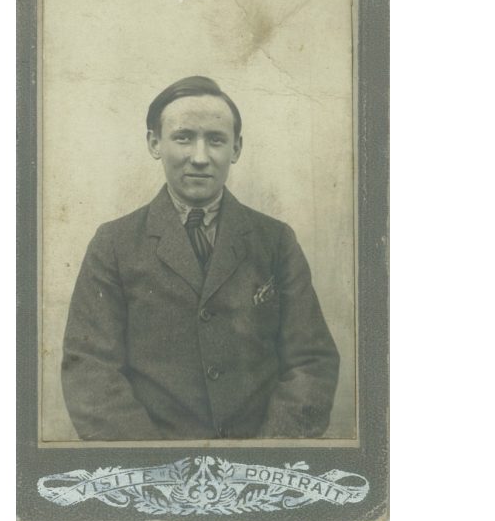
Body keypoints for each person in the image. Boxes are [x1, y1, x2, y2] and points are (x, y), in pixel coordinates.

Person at [61, 76, 339, 440]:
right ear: (154, 143)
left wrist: (265, 459)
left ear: (236, 149)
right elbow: (90, 372)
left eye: (216, 140)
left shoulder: (275, 241)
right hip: (156, 473)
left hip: (257, 468)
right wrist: (155, 467)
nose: (200, 157)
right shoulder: (113, 244)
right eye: (183, 137)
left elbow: (312, 364)